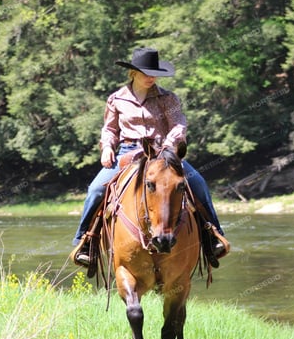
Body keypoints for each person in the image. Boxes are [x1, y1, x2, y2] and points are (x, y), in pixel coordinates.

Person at [70, 47, 228, 268]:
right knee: (96, 189)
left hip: (163, 153)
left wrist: (169, 145)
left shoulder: (168, 99)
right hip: (127, 153)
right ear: (133, 73)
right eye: (145, 72)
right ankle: (85, 242)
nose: (151, 77)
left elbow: (179, 124)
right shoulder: (116, 99)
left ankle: (213, 237)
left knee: (198, 184)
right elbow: (110, 130)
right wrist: (107, 147)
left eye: (154, 73)